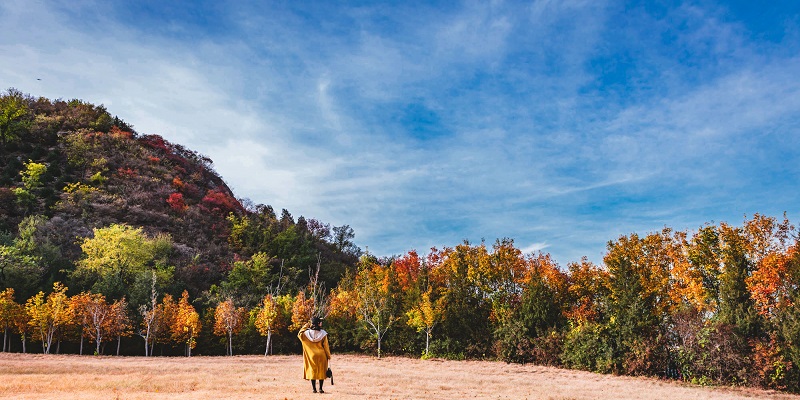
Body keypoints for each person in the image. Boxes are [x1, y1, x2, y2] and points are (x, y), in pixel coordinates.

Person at [298, 316, 331, 393]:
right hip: (321, 355)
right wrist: (328, 355)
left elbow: (299, 333)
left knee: (312, 371)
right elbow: (326, 346)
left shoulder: (306, 334)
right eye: (320, 322)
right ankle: (320, 388)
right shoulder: (323, 333)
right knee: (321, 372)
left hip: (311, 356)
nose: (321, 323)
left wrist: (306, 325)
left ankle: (314, 389)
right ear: (318, 323)